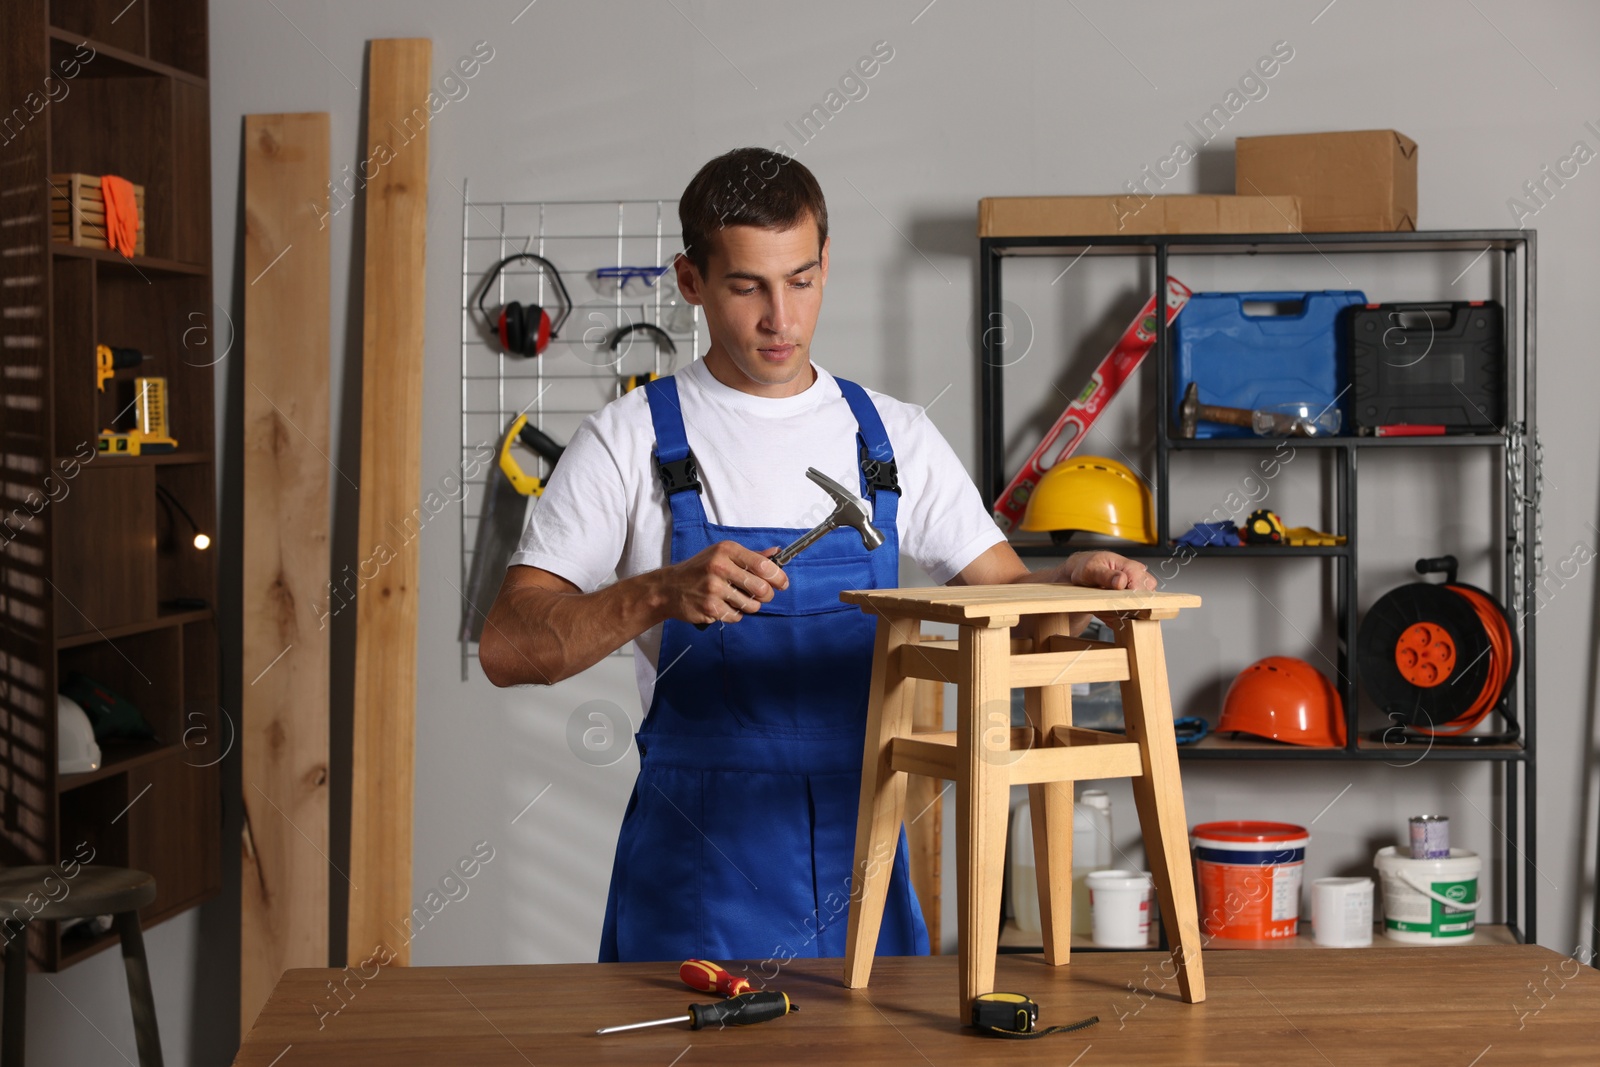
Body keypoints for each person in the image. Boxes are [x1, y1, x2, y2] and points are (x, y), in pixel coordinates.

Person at [480, 147, 1155, 964]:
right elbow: (509, 646)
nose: (781, 319)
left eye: (801, 280)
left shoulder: (892, 437)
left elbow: (1008, 617)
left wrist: (1068, 593)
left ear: (827, 264)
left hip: (860, 852)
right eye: (747, 286)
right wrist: (657, 592)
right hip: (696, 863)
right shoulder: (629, 439)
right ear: (691, 282)